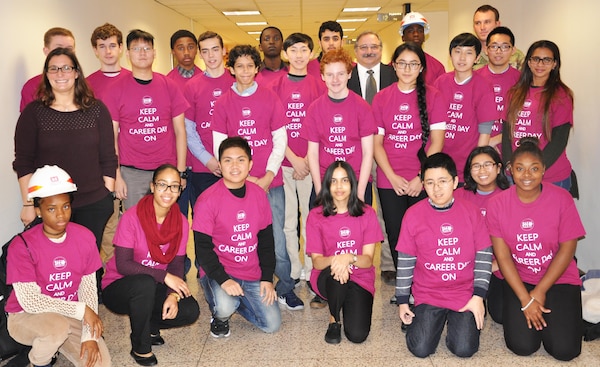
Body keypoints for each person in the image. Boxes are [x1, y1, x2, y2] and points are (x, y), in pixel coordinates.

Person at [211, 45, 303, 310]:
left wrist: (268, 175)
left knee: (276, 236)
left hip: (270, 183)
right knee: (241, 236)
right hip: (236, 185)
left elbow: (279, 139)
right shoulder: (223, 103)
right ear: (231, 69)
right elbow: (221, 147)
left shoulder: (270, 97)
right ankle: (241, 284)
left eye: (250, 66)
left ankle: (285, 286)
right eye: (239, 66)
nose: (245, 71)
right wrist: (244, 179)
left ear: (257, 68)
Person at [487, 137, 585, 361]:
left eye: (534, 169)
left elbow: (567, 249)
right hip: (518, 278)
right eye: (520, 168)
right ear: (510, 170)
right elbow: (502, 256)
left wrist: (540, 292)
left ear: (543, 170)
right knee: (522, 346)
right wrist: (526, 299)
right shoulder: (498, 204)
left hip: (557, 277)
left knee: (565, 351)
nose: (527, 175)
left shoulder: (562, 198)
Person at [14, 47, 117, 255]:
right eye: (54, 69)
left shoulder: (97, 110)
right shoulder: (33, 113)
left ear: (77, 72)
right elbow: (23, 162)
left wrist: (107, 193)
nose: (60, 74)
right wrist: (28, 203)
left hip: (93, 203)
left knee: (89, 264)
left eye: (66, 68)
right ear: (46, 74)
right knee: (54, 264)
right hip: (50, 205)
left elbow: (108, 156)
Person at [6, 165, 111, 367]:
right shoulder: (22, 245)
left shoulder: (85, 237)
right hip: (26, 316)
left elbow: (88, 288)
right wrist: (82, 311)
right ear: (38, 210)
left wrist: (89, 336)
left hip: (69, 313)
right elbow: (31, 301)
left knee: (100, 364)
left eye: (65, 206)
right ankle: (39, 361)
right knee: (56, 328)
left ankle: (54, 345)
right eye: (51, 209)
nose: (61, 215)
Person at [102, 164, 200, 366]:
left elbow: (177, 265)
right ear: (152, 186)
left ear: (180, 191)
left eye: (174, 186)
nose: (168, 191)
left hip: (153, 286)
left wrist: (172, 295)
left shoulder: (181, 222)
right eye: (163, 185)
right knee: (145, 283)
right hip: (119, 286)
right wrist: (164, 277)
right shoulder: (132, 217)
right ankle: (140, 346)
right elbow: (123, 265)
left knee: (190, 310)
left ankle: (149, 325)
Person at [396, 152, 492, 358]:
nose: (436, 188)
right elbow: (406, 261)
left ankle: (455, 320)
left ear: (455, 182)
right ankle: (432, 319)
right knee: (420, 349)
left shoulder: (471, 212)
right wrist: (403, 300)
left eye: (442, 181)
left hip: (464, 293)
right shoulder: (413, 215)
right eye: (429, 182)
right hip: (429, 293)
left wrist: (478, 297)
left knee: (465, 349)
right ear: (423, 184)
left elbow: (484, 256)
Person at [372, 43, 445, 291]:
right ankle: (405, 286)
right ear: (393, 65)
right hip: (388, 179)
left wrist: (420, 177)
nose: (407, 68)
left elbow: (437, 141)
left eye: (413, 64)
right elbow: (377, 143)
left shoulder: (434, 96)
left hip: (422, 178)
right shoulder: (382, 97)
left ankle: (422, 285)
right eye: (402, 63)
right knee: (395, 233)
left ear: (421, 67)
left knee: (423, 233)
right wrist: (391, 177)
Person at [193, 137, 281, 338]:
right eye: (228, 160)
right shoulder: (207, 200)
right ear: (220, 164)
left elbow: (267, 241)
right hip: (219, 272)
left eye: (240, 160)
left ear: (250, 164)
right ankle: (221, 314)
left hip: (251, 272)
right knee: (225, 305)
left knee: (272, 325)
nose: (234, 166)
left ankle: (237, 303)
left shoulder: (259, 195)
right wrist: (224, 280)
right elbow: (202, 249)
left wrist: (267, 278)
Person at [104, 29, 188, 210]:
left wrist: (180, 172)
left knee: (166, 224)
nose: (142, 53)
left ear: (154, 53)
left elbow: (180, 131)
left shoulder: (170, 86)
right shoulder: (116, 89)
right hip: (132, 173)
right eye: (136, 49)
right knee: (136, 226)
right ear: (127, 54)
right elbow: (111, 137)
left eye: (147, 48)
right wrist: (117, 176)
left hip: (166, 170)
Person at [269, 32, 323, 305]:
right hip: (285, 165)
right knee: (288, 222)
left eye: (304, 50)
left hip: (311, 164)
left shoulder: (318, 85)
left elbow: (321, 127)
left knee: (309, 221)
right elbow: (274, 127)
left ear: (311, 54)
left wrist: (306, 161)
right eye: (294, 50)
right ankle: (292, 270)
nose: (299, 55)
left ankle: (312, 270)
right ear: (286, 54)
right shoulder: (276, 86)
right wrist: (293, 157)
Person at [306, 161, 383, 344]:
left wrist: (349, 258)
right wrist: (339, 260)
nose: (339, 187)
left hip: (360, 277)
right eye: (333, 181)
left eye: (344, 181)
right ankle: (334, 319)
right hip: (327, 276)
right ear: (327, 185)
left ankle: (345, 301)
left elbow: (367, 261)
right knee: (337, 274)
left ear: (352, 184)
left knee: (357, 335)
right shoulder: (316, 215)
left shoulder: (367, 214)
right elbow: (317, 262)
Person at [347, 30, 398, 287]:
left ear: (381, 49)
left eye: (374, 47)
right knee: (361, 209)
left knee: (389, 212)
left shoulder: (394, 74)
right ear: (356, 51)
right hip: (358, 154)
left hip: (390, 152)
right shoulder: (346, 77)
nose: (369, 51)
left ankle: (389, 263)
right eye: (364, 47)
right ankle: (357, 258)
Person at [304, 48, 376, 205]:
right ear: (322, 76)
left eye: (341, 74)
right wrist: (319, 191)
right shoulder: (314, 108)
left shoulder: (362, 107)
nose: (335, 79)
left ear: (349, 74)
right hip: (326, 181)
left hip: (356, 181)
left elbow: (367, 152)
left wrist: (360, 192)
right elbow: (313, 154)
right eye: (330, 75)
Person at [502, 40, 575, 192]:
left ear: (555, 64)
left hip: (550, 176)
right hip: (516, 174)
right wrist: (511, 166)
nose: (540, 64)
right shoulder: (514, 93)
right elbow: (507, 134)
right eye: (536, 59)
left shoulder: (561, 95)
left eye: (547, 60)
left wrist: (534, 169)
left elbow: (559, 141)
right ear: (528, 62)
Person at [87, 22, 132, 266]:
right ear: (95, 50)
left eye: (112, 45)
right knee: (110, 222)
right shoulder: (87, 84)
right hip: (103, 164)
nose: (108, 51)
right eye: (102, 46)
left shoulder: (134, 78)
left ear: (121, 48)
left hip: (135, 163)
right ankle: (111, 272)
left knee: (136, 219)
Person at [454, 146, 510, 323]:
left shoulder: (509, 198)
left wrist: (493, 265)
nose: (482, 170)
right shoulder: (458, 196)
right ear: (469, 171)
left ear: (499, 168)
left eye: (488, 164)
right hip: (466, 267)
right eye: (476, 166)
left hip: (497, 266)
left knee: (500, 315)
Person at [433, 33, 496, 182]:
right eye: (457, 51)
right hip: (441, 161)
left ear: (477, 58)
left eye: (468, 53)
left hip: (467, 163)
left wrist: (475, 164)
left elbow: (485, 132)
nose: (462, 58)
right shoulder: (440, 82)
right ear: (450, 55)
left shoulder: (483, 86)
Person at [184, 31, 234, 209]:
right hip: (204, 167)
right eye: (205, 51)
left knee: (233, 220)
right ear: (200, 54)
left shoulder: (236, 81)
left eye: (215, 49)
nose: (211, 55)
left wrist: (230, 160)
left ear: (223, 50)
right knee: (205, 221)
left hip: (235, 165)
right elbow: (188, 131)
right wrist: (209, 160)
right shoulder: (191, 87)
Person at [474, 26, 520, 150]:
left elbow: (524, 120)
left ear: (513, 50)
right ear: (486, 50)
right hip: (478, 145)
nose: (498, 51)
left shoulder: (521, 80)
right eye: (494, 46)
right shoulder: (475, 78)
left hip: (510, 148)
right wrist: (484, 143)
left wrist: (494, 140)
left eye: (505, 46)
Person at [20, 27, 75, 112]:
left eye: (69, 49)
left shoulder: (83, 86)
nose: (64, 53)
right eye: (58, 48)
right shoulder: (32, 87)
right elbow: (28, 122)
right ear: (46, 51)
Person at [399, 12, 446, 86]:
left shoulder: (437, 67)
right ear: (403, 37)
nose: (416, 34)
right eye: (411, 31)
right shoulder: (393, 66)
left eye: (420, 31)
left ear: (424, 37)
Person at [473, 4, 525, 71]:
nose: (482, 27)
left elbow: (526, 79)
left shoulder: (516, 55)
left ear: (497, 24)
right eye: (478, 23)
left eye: (487, 22)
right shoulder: (469, 55)